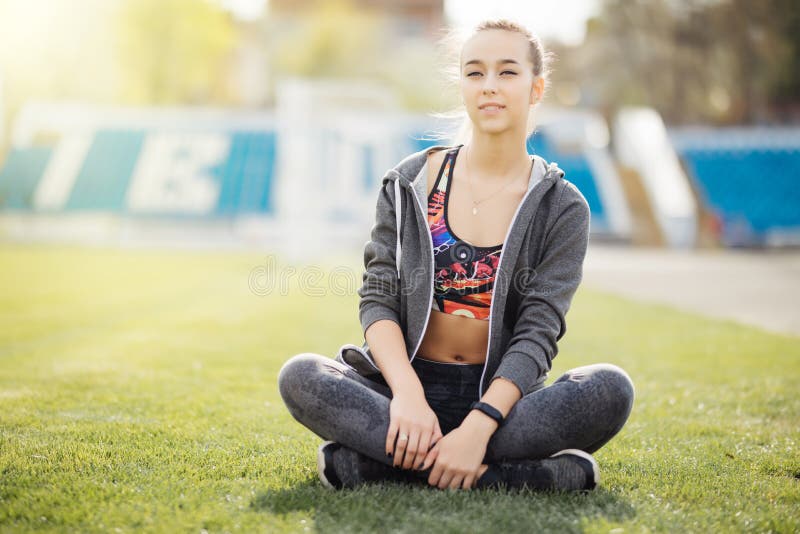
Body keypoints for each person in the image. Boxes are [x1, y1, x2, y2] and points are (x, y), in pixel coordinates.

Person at [278, 18, 634, 491]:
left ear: (536, 88)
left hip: (503, 401)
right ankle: (509, 477)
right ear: (462, 85)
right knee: (301, 376)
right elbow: (378, 298)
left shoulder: (563, 207)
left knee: (610, 389)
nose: (489, 86)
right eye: (474, 73)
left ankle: (386, 466)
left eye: (508, 72)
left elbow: (538, 331)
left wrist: (480, 423)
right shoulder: (409, 184)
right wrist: (406, 394)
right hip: (403, 388)